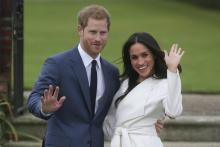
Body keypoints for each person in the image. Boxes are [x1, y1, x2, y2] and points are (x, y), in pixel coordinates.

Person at [27, 5, 120, 147]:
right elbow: (34, 98)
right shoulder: (57, 64)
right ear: (80, 30)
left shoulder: (111, 72)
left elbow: (117, 108)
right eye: (93, 32)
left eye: (103, 33)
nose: (98, 38)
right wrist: (44, 108)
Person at [103, 32, 184, 147]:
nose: (140, 62)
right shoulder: (124, 84)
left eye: (145, 55)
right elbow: (111, 121)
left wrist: (172, 70)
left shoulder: (165, 83)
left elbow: (174, 111)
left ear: (154, 55)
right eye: (134, 57)